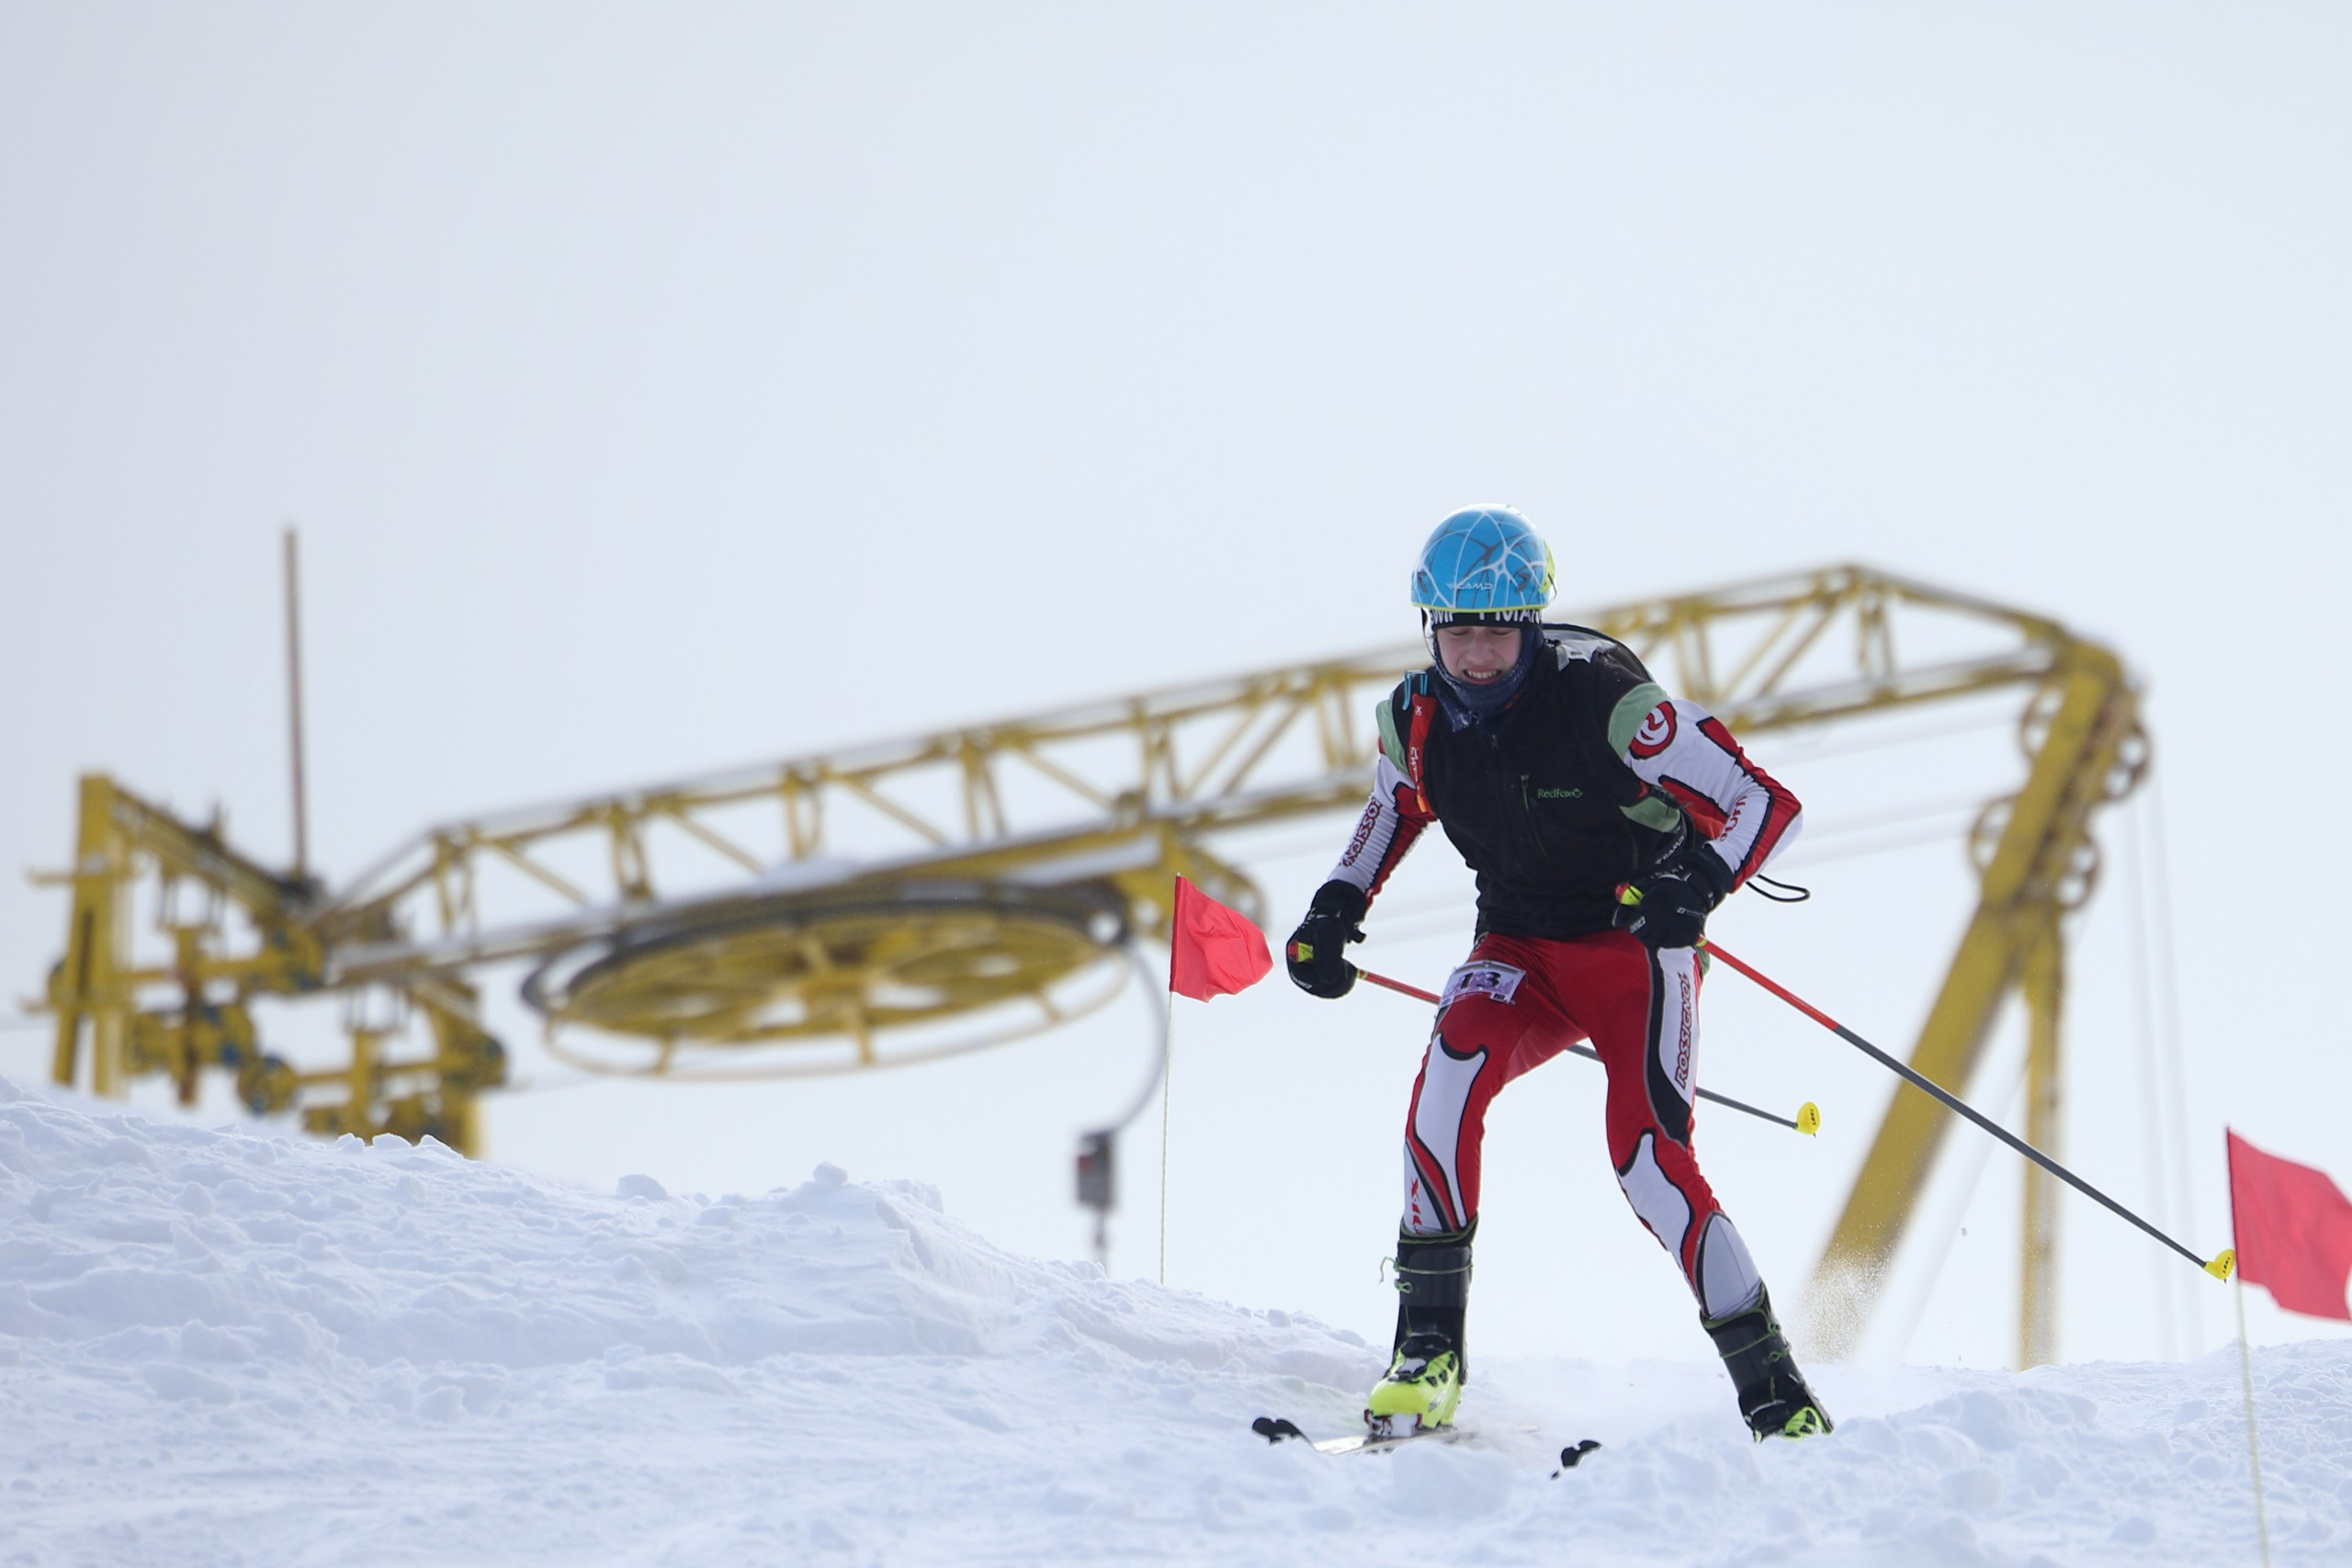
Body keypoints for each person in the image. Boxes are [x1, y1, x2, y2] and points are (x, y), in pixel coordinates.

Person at [1283, 506, 1833, 1442]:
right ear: (1432, 629)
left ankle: (1775, 1393)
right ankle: (1425, 1354)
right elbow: (1390, 809)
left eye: (1497, 631)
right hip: (1518, 950)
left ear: (1530, 623)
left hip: (1633, 950)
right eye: (1459, 631)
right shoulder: (1413, 716)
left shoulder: (1608, 701)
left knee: (1648, 1163)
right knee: (1443, 1088)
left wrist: (1696, 884)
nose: (1479, 657)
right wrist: (1336, 907)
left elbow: (1763, 803)